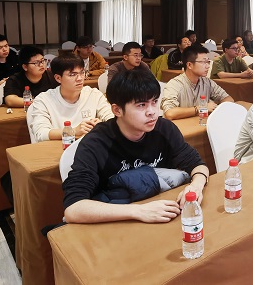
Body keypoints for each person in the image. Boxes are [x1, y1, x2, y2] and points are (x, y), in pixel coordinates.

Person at [62, 69, 209, 224]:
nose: (152, 112)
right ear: (117, 110)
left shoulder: (164, 129)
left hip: (163, 212)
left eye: (154, 102)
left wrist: (196, 185)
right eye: (141, 105)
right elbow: (73, 208)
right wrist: (138, 211)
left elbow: (197, 164)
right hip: (115, 221)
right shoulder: (96, 143)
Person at [27, 55, 113, 143]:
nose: (80, 78)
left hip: (89, 147)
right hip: (58, 149)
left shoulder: (94, 94)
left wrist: (102, 126)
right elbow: (41, 134)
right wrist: (73, 131)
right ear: (58, 78)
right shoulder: (43, 100)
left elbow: (113, 119)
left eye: (82, 72)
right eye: (72, 74)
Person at [161, 46, 234, 120]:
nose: (208, 66)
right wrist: (201, 108)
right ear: (189, 65)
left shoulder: (207, 82)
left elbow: (228, 99)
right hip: (179, 126)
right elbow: (169, 113)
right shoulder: (175, 84)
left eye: (208, 62)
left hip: (199, 124)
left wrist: (216, 108)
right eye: (203, 62)